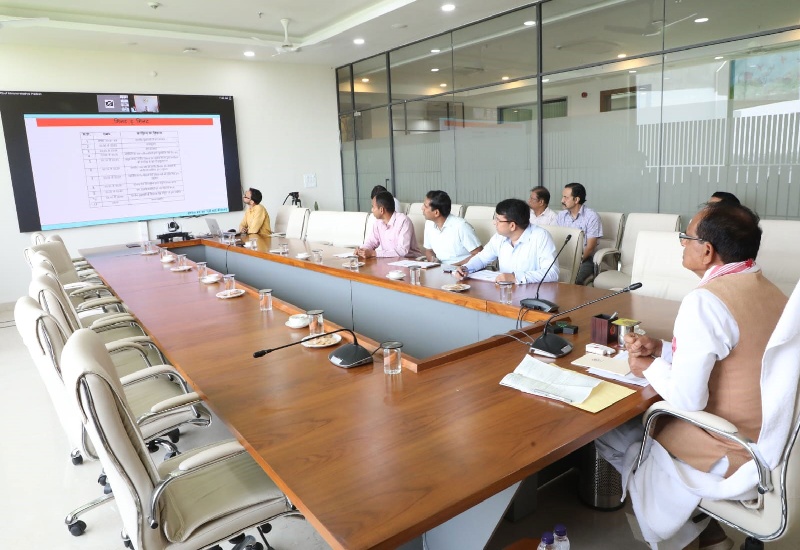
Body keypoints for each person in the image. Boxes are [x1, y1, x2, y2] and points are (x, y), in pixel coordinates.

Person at [596, 202, 787, 550]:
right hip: (772, 438)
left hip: (734, 448)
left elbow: (688, 400)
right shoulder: (772, 291)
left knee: (611, 429)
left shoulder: (706, 301)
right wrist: (663, 349)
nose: (682, 244)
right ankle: (710, 535)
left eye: (687, 238)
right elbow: (732, 354)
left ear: (707, 251)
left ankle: (680, 538)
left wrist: (646, 366)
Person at [455, 198, 558, 284]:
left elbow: (552, 273)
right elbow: (482, 258)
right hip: (504, 291)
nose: (494, 223)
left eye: (498, 220)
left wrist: (515, 277)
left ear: (512, 225)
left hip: (532, 294)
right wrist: (466, 268)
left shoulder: (540, 237)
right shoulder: (500, 237)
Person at [555, 182, 602, 285]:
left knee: (575, 280)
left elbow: (590, 247)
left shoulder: (591, 217)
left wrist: (574, 262)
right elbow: (556, 240)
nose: (562, 200)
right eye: (563, 197)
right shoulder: (561, 216)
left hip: (584, 259)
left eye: (566, 197)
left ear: (576, 200)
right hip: (562, 258)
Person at [422, 190, 482, 265]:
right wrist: (433, 260)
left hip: (462, 270)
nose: (422, 208)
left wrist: (452, 267)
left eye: (425, 206)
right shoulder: (429, 224)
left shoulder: (461, 226)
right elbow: (429, 250)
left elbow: (479, 254)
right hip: (440, 269)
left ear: (436, 213)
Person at [356, 191, 421, 258]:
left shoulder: (404, 221)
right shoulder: (378, 222)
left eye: (373, 207)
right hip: (389, 261)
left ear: (381, 210)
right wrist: (362, 250)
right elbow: (372, 241)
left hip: (410, 261)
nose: (372, 210)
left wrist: (374, 253)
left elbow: (402, 251)